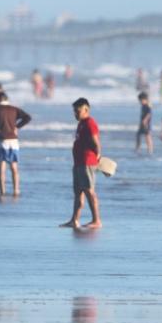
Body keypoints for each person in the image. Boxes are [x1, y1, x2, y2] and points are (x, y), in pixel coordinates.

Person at [0, 90, 31, 196]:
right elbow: (27, 117)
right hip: (13, 140)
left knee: (2, 167)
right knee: (14, 167)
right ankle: (16, 190)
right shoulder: (13, 109)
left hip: (1, 140)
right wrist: (17, 126)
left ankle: (2, 191)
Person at [61, 98, 102, 229]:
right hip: (78, 162)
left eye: (78, 111)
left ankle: (97, 220)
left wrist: (97, 157)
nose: (75, 114)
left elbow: (96, 143)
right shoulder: (81, 123)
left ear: (86, 109)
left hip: (87, 162)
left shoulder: (90, 122)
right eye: (74, 111)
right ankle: (75, 220)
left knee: (89, 191)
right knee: (78, 192)